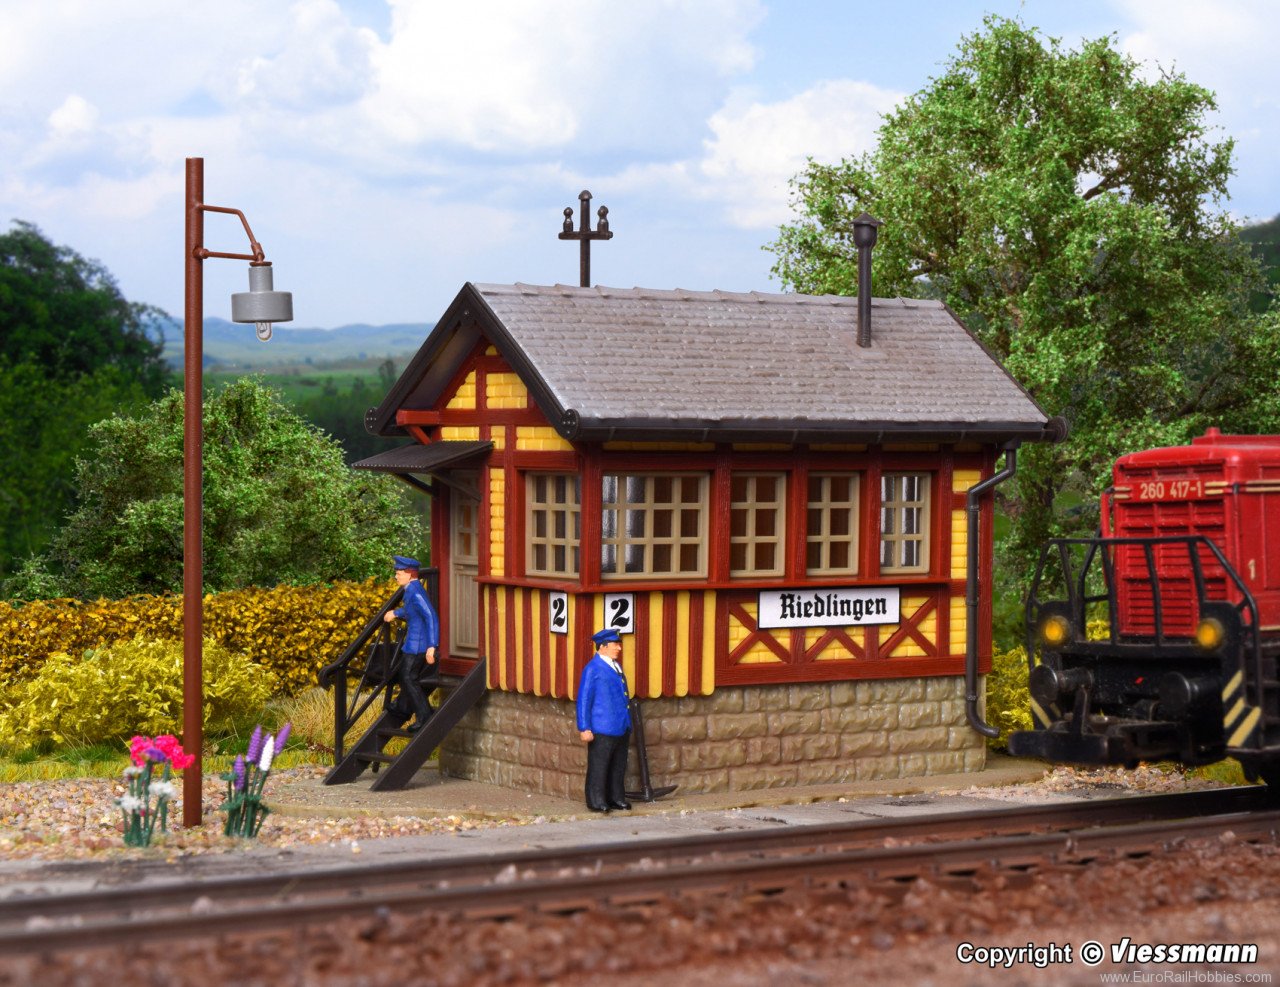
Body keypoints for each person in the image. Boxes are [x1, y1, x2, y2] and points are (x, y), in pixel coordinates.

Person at [576, 627, 633, 812]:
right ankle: (596, 799)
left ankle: (616, 797)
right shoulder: (593, 669)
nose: (619, 648)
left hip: (621, 726)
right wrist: (584, 727)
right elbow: (584, 699)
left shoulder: (616, 666)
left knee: (618, 765)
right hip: (602, 727)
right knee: (599, 765)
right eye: (615, 644)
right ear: (603, 647)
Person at [382, 555, 439, 733]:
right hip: (412, 643)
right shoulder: (411, 590)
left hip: (419, 645)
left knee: (408, 677)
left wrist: (432, 646)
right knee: (404, 675)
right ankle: (402, 706)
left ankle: (424, 715)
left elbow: (431, 616)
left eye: (399, 573)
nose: (396, 576)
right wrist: (397, 613)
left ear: (410, 574)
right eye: (397, 573)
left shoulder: (415, 592)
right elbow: (411, 610)